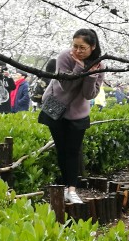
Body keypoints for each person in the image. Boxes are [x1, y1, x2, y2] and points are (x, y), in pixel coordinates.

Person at [38, 29, 105, 205]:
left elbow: (89, 94)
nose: (77, 51)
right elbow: (66, 86)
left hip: (78, 111)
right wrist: (79, 67)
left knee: (73, 151)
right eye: (75, 46)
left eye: (82, 47)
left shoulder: (99, 65)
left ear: (93, 47)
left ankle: (72, 190)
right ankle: (65, 186)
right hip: (55, 105)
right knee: (62, 148)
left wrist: (90, 75)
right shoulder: (64, 57)